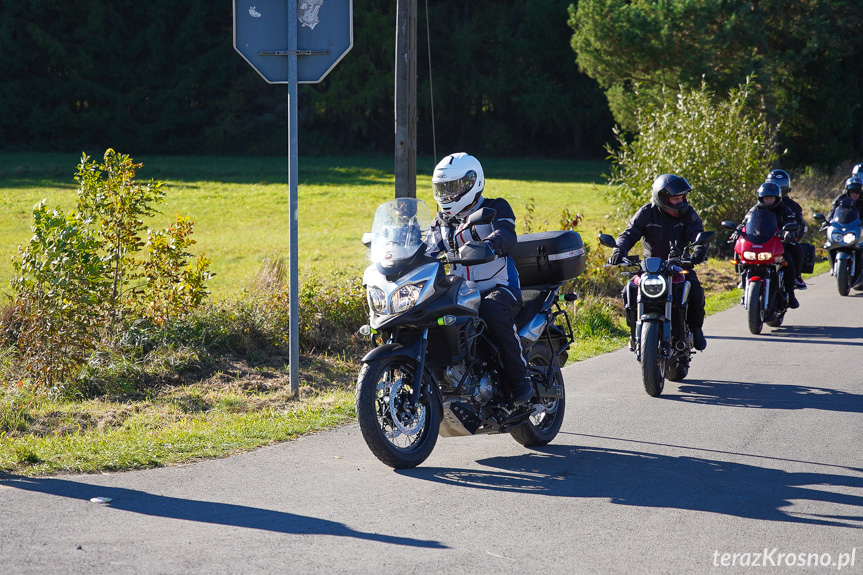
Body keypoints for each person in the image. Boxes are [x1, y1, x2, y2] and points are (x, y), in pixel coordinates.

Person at [424, 152, 533, 404]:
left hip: (500, 287)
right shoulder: (442, 221)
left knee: (492, 309)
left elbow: (507, 233)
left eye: (452, 187)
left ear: (473, 182)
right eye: (442, 189)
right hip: (462, 292)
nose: (446, 195)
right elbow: (429, 249)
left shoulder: (496, 207)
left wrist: (491, 244)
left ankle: (520, 379)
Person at [608, 174, 708, 351]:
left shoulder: (688, 213)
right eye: (676, 199)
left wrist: (699, 249)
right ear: (662, 198)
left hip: (679, 266)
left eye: (682, 198)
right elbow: (628, 234)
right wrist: (618, 250)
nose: (681, 202)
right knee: (629, 290)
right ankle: (635, 334)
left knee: (695, 291)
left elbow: (697, 232)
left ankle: (696, 329)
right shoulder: (646, 213)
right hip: (650, 268)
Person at [736, 182, 800, 308]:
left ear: (777, 198)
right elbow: (744, 223)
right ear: (761, 198)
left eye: (771, 198)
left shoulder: (784, 209)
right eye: (766, 198)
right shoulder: (755, 209)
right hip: (759, 243)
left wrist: (788, 232)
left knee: (788, 261)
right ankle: (744, 286)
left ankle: (791, 294)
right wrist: (737, 231)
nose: (769, 201)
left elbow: (791, 221)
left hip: (778, 244)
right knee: (741, 259)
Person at [765, 169, 807, 290]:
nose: (778, 188)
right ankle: (744, 280)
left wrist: (790, 233)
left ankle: (796, 279)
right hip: (764, 240)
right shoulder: (762, 204)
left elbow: (796, 224)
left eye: (781, 185)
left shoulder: (792, 206)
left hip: (783, 241)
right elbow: (751, 220)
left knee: (794, 253)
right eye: (774, 184)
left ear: (787, 187)